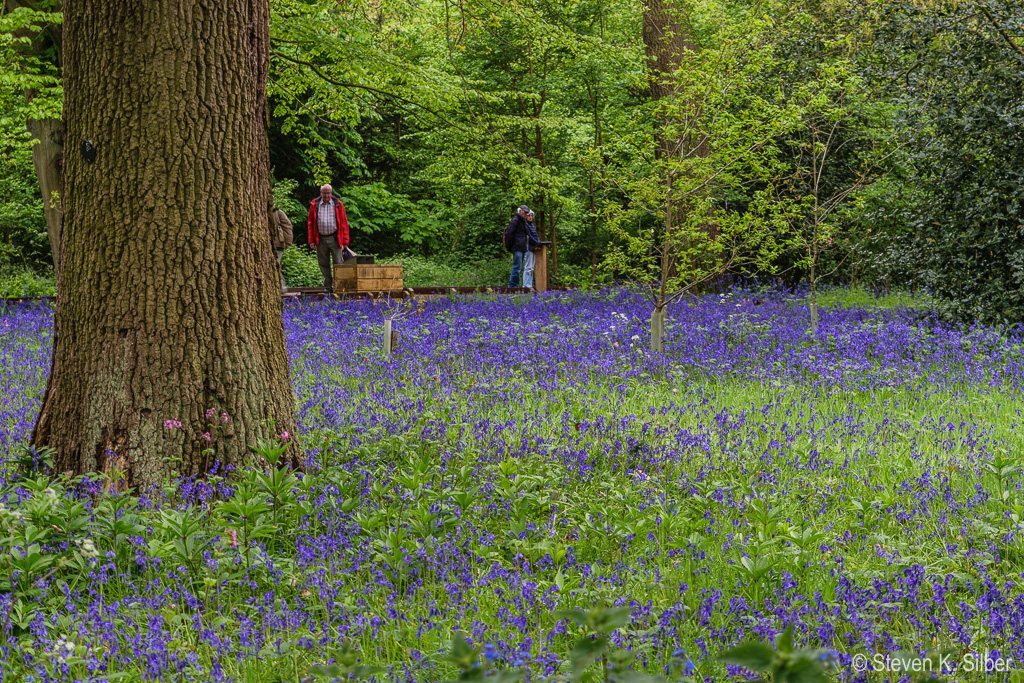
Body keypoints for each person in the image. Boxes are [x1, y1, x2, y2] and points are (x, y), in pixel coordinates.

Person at [306, 184, 350, 293]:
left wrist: (345, 241)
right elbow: (310, 223)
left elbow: (344, 223)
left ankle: (339, 287)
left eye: (328, 193)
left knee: (338, 264)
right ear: (321, 193)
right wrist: (311, 240)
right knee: (323, 264)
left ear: (331, 193)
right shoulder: (314, 205)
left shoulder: (338, 204)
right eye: (324, 193)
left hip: (335, 238)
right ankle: (328, 288)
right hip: (320, 239)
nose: (327, 195)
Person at [504, 205, 531, 287]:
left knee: (519, 268)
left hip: (522, 247)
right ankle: (512, 286)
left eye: (527, 213)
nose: (526, 214)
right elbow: (508, 233)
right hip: (517, 247)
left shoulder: (523, 221)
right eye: (525, 213)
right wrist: (510, 246)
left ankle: (514, 285)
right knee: (517, 268)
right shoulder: (515, 220)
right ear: (520, 211)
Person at [270, 202, 293, 291]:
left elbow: (287, 226)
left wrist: (288, 241)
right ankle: (279, 287)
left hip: (278, 244)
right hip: (269, 244)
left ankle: (281, 287)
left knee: (276, 265)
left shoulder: (278, 213)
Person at [523, 210, 541, 289]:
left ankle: (529, 284)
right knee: (528, 267)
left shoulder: (531, 225)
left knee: (531, 268)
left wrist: (538, 242)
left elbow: (535, 235)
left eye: (531, 216)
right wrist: (536, 242)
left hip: (533, 248)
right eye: (529, 216)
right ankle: (526, 286)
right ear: (526, 216)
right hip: (528, 248)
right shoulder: (525, 225)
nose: (530, 217)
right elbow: (528, 237)